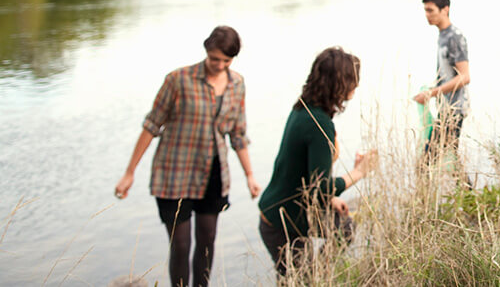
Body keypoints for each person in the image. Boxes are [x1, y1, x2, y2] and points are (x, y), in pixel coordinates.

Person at [114, 25, 261, 287]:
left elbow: (238, 134)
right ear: (206, 51)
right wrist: (129, 172)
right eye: (214, 58)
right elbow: (151, 125)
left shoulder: (237, 84)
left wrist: (250, 175)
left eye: (225, 60)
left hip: (213, 175)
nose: (218, 65)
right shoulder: (178, 80)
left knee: (207, 240)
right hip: (174, 174)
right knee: (180, 244)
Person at [258, 47, 378, 278]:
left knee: (343, 228)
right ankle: (316, 277)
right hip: (281, 223)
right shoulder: (319, 123)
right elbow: (319, 187)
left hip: (283, 213)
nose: (357, 85)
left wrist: (332, 199)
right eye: (353, 79)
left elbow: (306, 174)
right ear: (340, 83)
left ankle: (318, 276)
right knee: (300, 280)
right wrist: (360, 171)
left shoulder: (304, 108)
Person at [413, 0, 471, 165]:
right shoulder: (443, 35)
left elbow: (464, 77)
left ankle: (466, 189)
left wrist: (431, 93)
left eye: (430, 10)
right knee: (450, 158)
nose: (427, 15)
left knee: (427, 162)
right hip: (446, 107)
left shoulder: (454, 37)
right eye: (425, 10)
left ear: (445, 9)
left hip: (454, 109)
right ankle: (468, 190)